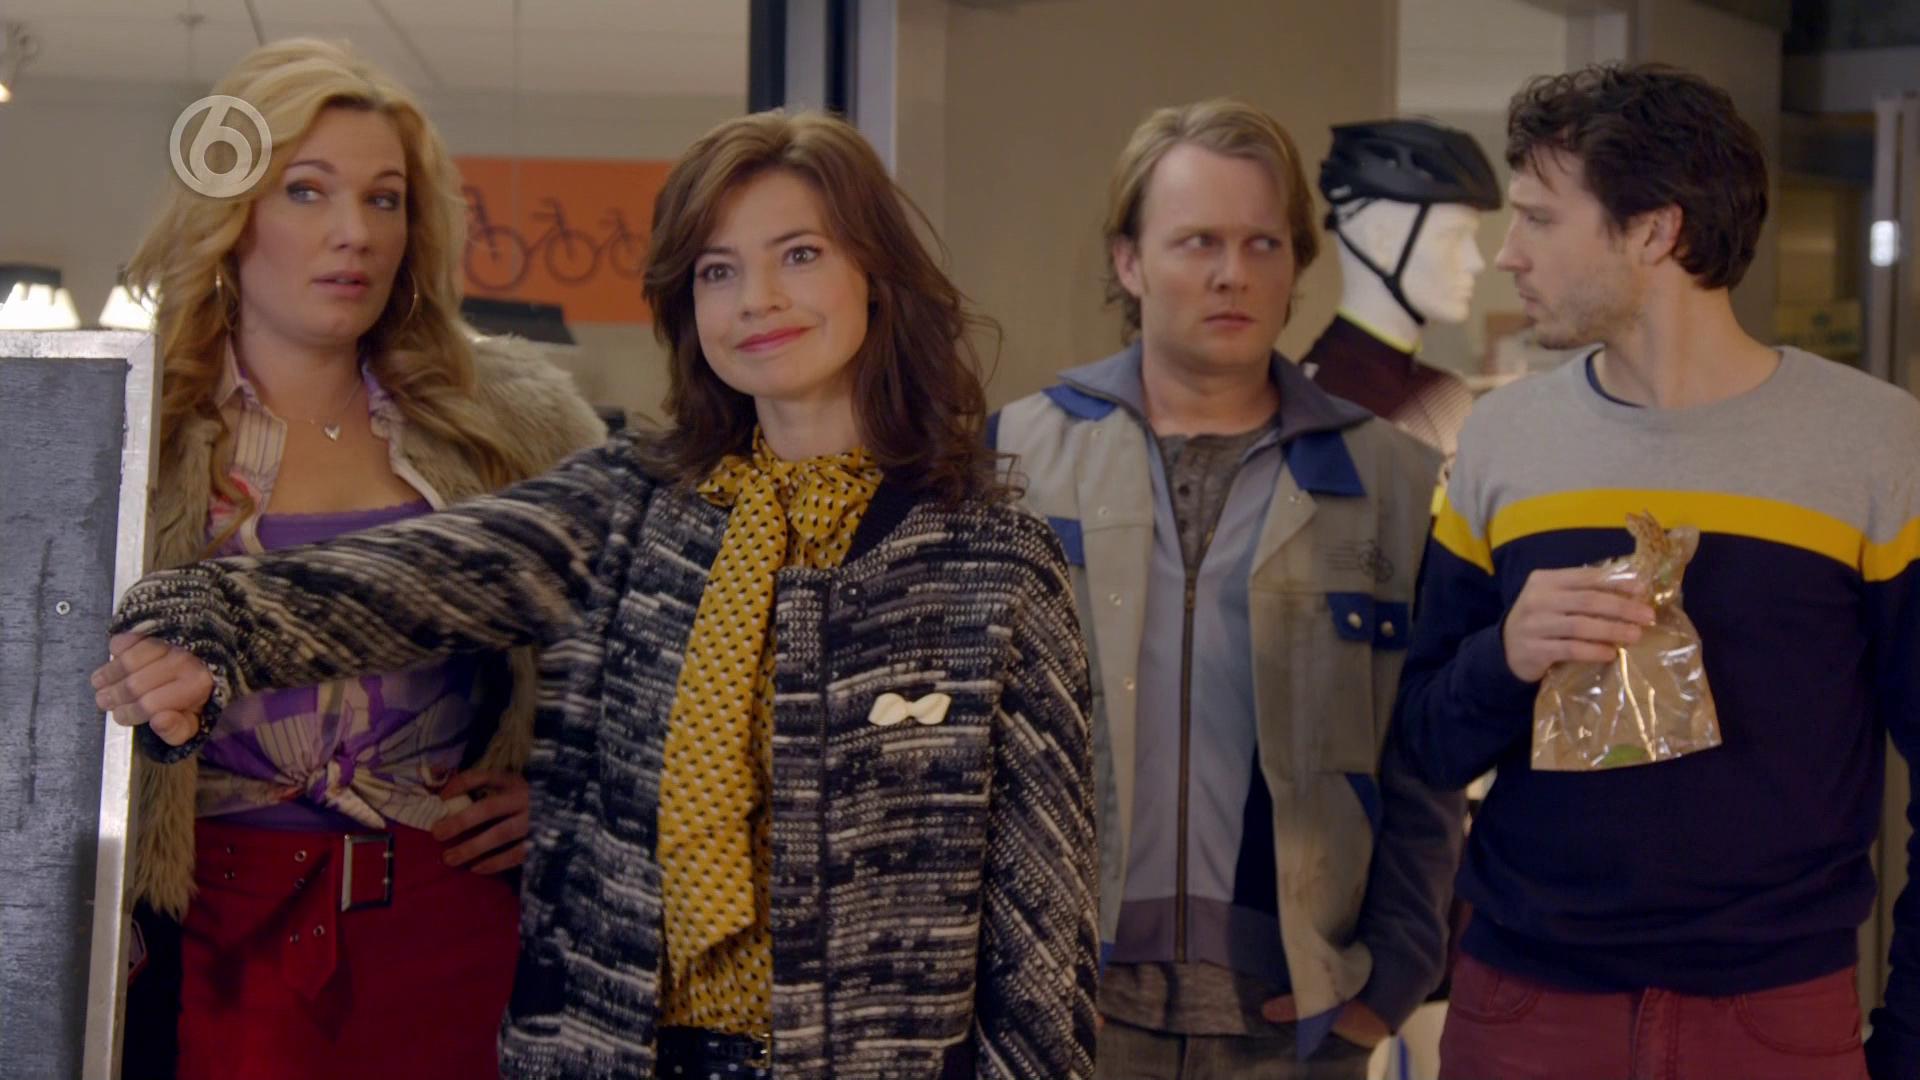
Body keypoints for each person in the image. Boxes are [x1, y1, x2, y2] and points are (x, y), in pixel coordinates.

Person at [96, 108, 1098, 1080]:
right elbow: (405, 581)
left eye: (799, 255)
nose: (757, 299)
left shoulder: (995, 564)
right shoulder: (627, 508)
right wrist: (205, 621)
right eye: (718, 271)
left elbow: (1041, 941)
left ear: (875, 275)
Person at [1393, 63, 1920, 1080]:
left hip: (1776, 1017)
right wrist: (1505, 657)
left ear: (1653, 231)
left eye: (1539, 219)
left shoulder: (1876, 445)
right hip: (1523, 1011)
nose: (1508, 254)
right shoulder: (1502, 440)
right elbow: (1421, 743)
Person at [113, 38, 605, 1080]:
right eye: (307, 190)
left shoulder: (516, 423)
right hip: (201, 935)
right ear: (232, 210)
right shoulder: (126, 429)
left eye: (386, 200)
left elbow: (640, 652)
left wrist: (566, 795)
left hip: (453, 923)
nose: (356, 233)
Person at [990, 98, 1460, 1079]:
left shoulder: (1392, 479)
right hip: (1063, 1010)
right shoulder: (1014, 458)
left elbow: (1423, 758)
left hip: (1293, 1022)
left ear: (1295, 266)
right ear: (1129, 261)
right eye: (1197, 241)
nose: (1232, 273)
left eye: (1261, 243)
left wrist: (1395, 979)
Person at [1302, 119, 1502, 460]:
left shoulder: (1447, 393)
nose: (1476, 261)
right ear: (1380, 240)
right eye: (1453, 236)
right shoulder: (1319, 406)